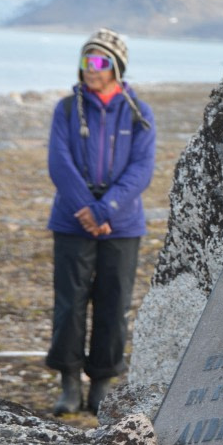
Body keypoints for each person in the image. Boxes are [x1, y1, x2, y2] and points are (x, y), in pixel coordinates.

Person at [45, 28, 155, 415]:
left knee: (114, 303)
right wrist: (87, 210)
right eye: (86, 59)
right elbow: (59, 163)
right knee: (69, 304)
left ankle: (102, 385)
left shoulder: (139, 112)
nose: (90, 68)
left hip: (121, 225)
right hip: (72, 221)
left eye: (99, 61)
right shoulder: (65, 109)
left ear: (116, 66)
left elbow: (142, 169)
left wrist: (105, 209)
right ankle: (70, 383)